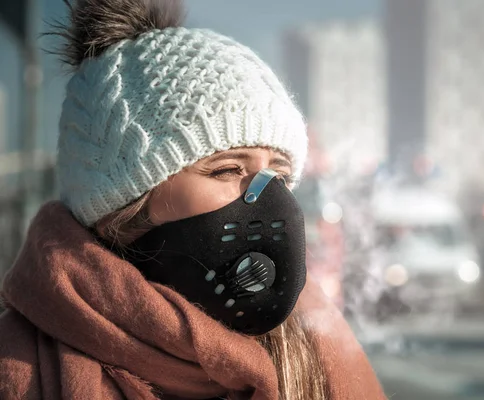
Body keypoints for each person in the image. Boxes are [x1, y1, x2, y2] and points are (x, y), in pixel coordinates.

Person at [0, 0, 386, 399]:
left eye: (281, 176)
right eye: (227, 169)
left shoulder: (313, 343)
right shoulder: (18, 370)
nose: (271, 201)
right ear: (125, 202)